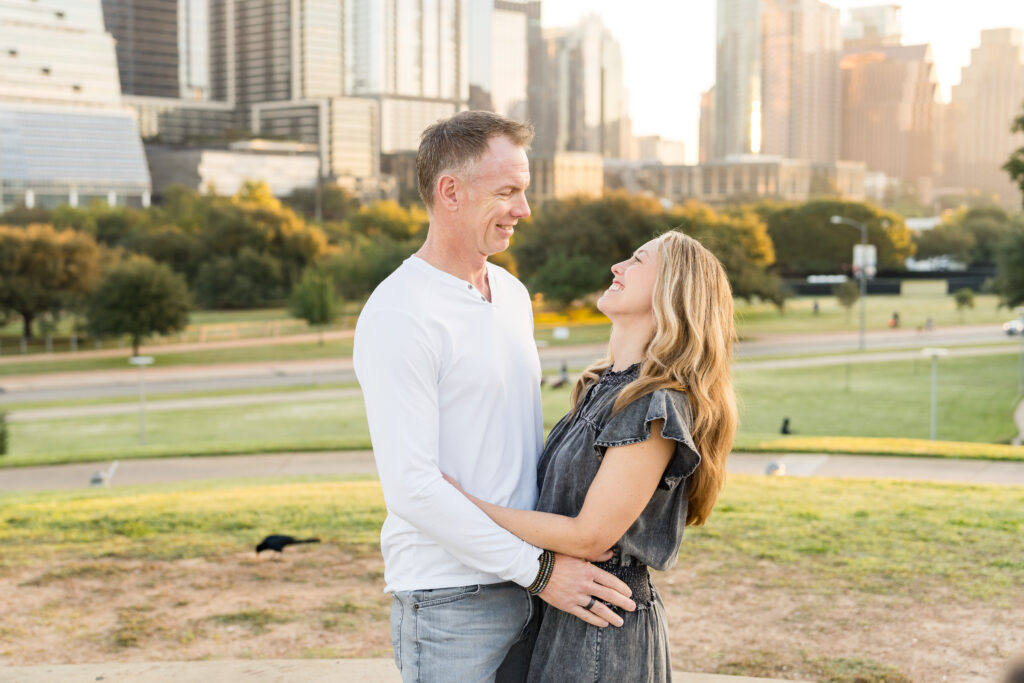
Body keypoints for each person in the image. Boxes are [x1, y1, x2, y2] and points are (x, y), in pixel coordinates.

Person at [352, 110, 635, 682]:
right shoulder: (399, 313)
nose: (523, 210)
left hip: (532, 582)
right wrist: (538, 570)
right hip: (452, 599)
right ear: (449, 191)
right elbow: (412, 489)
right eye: (507, 191)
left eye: (523, 192)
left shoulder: (510, 293)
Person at [445, 231, 738, 681]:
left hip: (601, 628)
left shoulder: (652, 405)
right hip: (563, 609)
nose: (617, 267)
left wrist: (464, 505)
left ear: (671, 291)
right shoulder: (603, 388)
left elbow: (588, 536)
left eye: (637, 261)